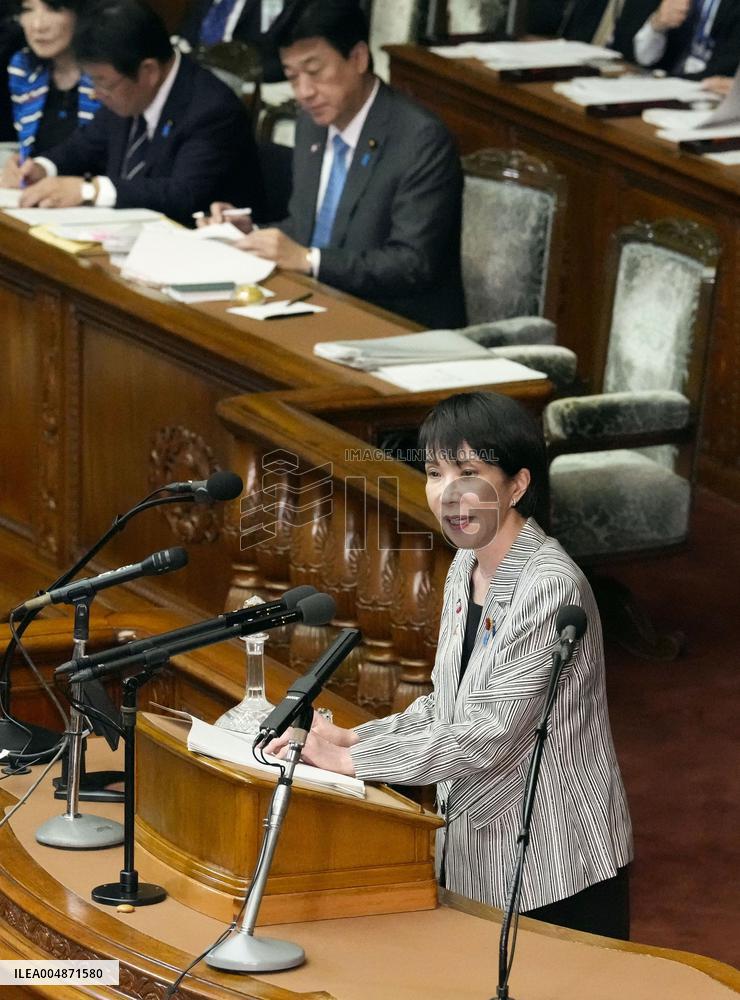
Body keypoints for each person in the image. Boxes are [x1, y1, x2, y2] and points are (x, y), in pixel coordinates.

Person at [268, 391, 634, 938]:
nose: (448, 493)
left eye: (470, 471)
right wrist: (351, 738)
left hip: (556, 860)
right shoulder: (466, 566)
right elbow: (446, 704)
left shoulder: (549, 587)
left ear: (517, 484)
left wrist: (354, 761)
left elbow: (485, 735)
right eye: (436, 473)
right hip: (479, 845)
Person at [205, 0, 466, 329]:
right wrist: (253, 233)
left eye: (314, 72)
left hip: (396, 323)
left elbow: (412, 263)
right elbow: (308, 229)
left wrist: (308, 260)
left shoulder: (420, 139)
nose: (303, 92)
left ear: (358, 58)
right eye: (292, 77)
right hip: (319, 306)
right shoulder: (311, 125)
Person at [15, 0, 264, 226]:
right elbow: (84, 145)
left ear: (149, 71)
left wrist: (90, 190)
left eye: (103, 83)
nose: (95, 93)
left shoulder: (212, 110)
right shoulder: (125, 89)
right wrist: (39, 168)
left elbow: (182, 194)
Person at [1, 0, 100, 188]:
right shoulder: (23, 68)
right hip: (38, 199)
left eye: (54, 9)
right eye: (28, 9)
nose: (37, 25)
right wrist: (19, 165)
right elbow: (28, 149)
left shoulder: (106, 72)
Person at [177, 0, 288, 83]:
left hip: (246, 78)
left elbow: (278, 57)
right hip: (199, 75)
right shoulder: (205, 3)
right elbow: (185, 37)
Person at [629, 0, 740, 79]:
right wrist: (658, 24)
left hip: (707, 97)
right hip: (665, 86)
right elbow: (644, 57)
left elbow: (723, 73)